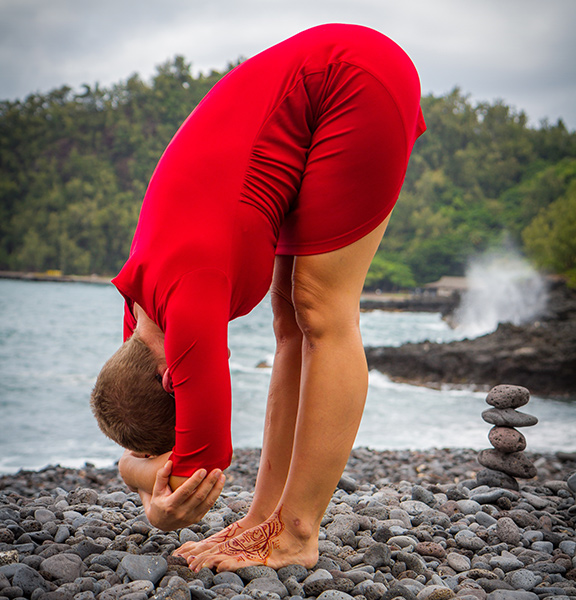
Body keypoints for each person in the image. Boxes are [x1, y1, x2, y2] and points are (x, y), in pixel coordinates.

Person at [91, 23, 426, 572]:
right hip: (310, 85)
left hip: (352, 80)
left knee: (321, 308)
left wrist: (156, 501)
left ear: (171, 376)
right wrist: (146, 470)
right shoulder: (137, 306)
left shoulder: (189, 298)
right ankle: (264, 518)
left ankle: (296, 535)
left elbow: (205, 466)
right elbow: (170, 459)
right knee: (290, 319)